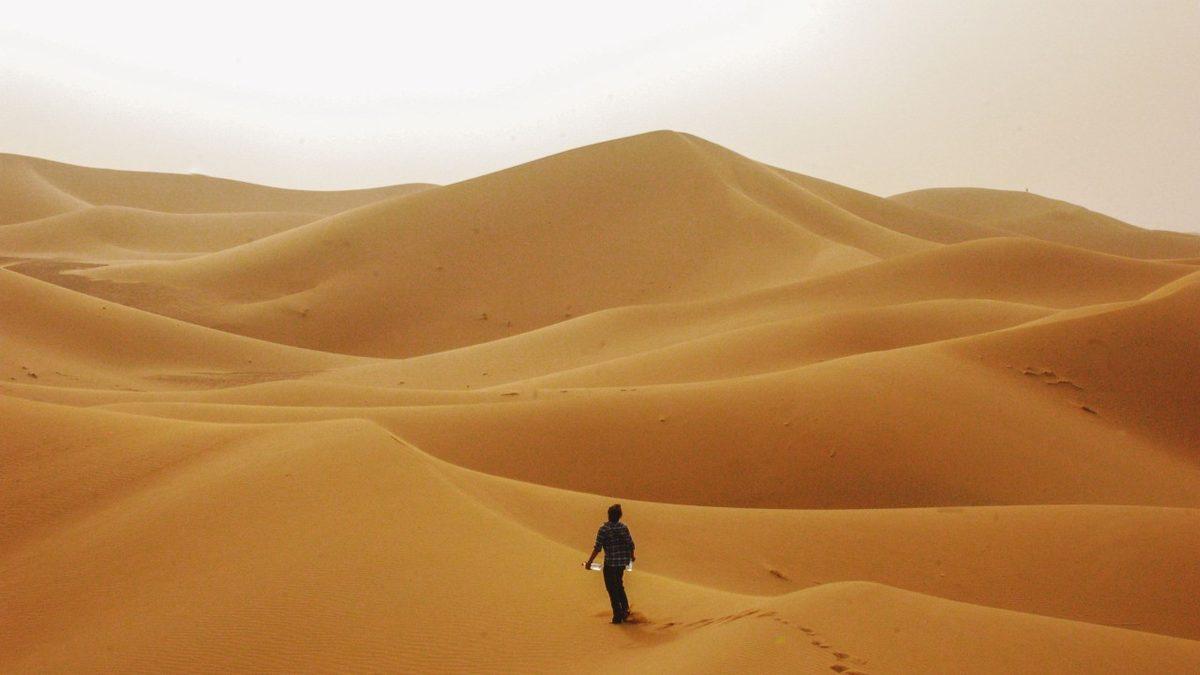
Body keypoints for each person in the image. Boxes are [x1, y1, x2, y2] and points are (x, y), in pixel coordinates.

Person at [584, 503, 635, 623]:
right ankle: (625, 611)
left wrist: (589, 562)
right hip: (621, 563)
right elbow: (631, 544)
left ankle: (617, 616)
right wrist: (632, 556)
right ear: (620, 516)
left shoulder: (604, 529)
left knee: (612, 589)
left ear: (609, 515)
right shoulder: (623, 527)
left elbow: (598, 548)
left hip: (610, 564)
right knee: (619, 586)